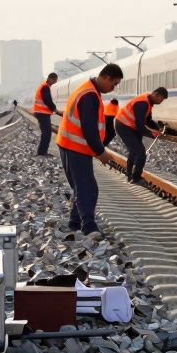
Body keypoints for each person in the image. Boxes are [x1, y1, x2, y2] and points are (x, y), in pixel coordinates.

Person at [56, 64, 123, 235]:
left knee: (80, 187)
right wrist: (100, 152)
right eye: (113, 84)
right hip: (75, 146)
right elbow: (89, 129)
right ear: (106, 77)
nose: (113, 88)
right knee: (88, 188)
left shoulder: (89, 90)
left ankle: (74, 223)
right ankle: (89, 227)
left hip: (70, 144)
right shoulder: (90, 95)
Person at [116, 87, 168, 184]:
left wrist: (157, 128)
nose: (161, 102)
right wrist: (151, 133)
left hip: (130, 127)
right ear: (156, 95)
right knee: (140, 152)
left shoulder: (148, 102)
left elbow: (147, 120)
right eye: (161, 99)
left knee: (134, 151)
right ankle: (136, 178)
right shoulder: (142, 103)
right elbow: (140, 125)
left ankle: (130, 176)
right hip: (124, 126)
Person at [33, 73, 59, 156]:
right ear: (51, 79)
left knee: (46, 132)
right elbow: (47, 101)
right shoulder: (45, 87)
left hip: (41, 113)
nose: (55, 82)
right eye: (55, 80)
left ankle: (42, 152)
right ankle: (42, 153)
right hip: (42, 113)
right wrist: (54, 108)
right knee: (46, 133)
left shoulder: (44, 86)